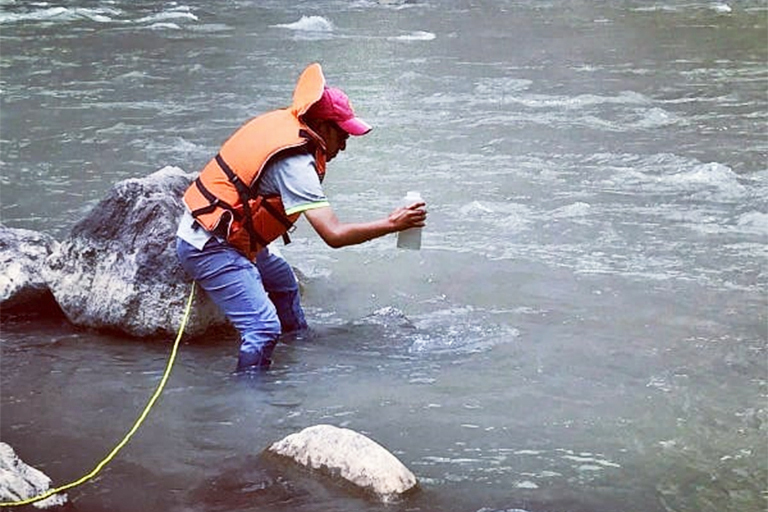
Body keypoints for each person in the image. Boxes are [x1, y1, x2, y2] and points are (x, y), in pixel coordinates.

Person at [175, 63, 427, 374]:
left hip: (232, 232)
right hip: (210, 244)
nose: (345, 144)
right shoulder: (294, 162)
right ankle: (250, 403)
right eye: (342, 133)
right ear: (321, 127)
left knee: (283, 283)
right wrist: (392, 225)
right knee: (263, 329)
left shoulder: (288, 125)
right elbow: (332, 234)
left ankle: (297, 356)